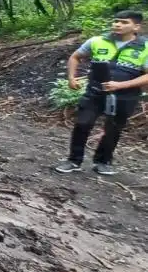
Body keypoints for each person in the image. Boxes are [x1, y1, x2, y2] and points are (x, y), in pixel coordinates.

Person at [54, 10, 148, 176]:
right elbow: (75, 57)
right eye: (116, 21)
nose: (117, 24)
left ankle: (103, 162)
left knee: (113, 129)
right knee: (82, 124)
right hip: (95, 92)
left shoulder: (145, 47)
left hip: (125, 96)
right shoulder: (97, 41)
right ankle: (74, 160)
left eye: (124, 22)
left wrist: (121, 85)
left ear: (136, 27)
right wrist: (71, 78)